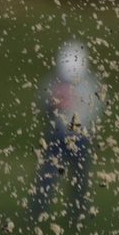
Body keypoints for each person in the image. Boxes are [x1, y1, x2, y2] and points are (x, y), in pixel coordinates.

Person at [29, 39, 105, 224]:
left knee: (79, 178)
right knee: (48, 175)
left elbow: (94, 109)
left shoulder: (89, 84)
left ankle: (77, 212)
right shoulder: (54, 82)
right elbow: (43, 102)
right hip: (58, 136)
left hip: (80, 137)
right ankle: (38, 210)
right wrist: (52, 106)